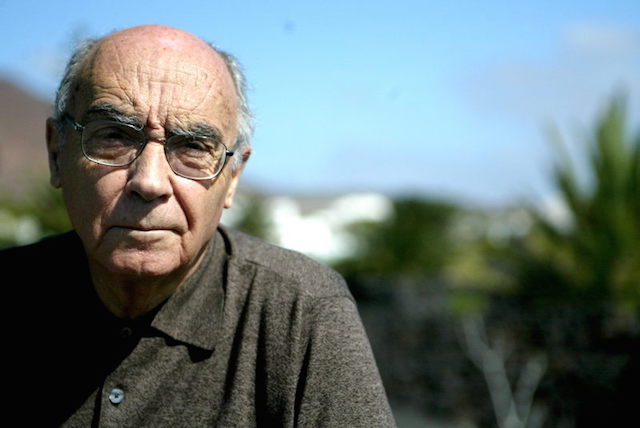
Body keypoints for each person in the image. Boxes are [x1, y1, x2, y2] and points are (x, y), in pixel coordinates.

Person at [1, 25, 396, 427]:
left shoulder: (301, 313)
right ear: (57, 152)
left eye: (192, 146)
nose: (150, 182)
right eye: (115, 136)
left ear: (233, 176)